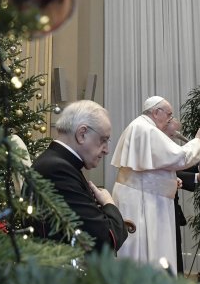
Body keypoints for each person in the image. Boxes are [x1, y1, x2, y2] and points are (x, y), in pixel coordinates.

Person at [111, 96, 200, 274]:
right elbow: (179, 157)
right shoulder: (146, 129)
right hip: (142, 201)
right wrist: (199, 140)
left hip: (141, 196)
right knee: (144, 250)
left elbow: (152, 167)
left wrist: (172, 180)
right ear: (156, 112)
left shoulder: (141, 127)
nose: (170, 118)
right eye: (169, 114)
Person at [31, 100, 128, 253]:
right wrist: (110, 204)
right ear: (82, 134)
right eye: (103, 140)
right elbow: (105, 241)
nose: (107, 150)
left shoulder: (58, 164)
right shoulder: (58, 170)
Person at [166, 117, 200, 275]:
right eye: (174, 132)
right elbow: (168, 171)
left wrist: (197, 168)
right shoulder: (156, 141)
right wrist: (196, 177)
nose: (177, 134)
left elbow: (174, 169)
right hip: (162, 207)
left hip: (170, 206)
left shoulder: (167, 143)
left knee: (175, 248)